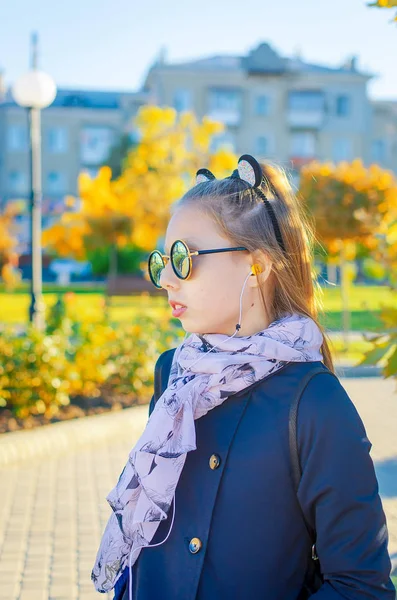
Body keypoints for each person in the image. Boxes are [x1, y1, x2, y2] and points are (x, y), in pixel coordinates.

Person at [91, 155, 395, 600]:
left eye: (185, 258)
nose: (167, 280)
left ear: (257, 266)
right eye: (162, 261)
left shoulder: (313, 401)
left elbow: (361, 587)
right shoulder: (172, 374)